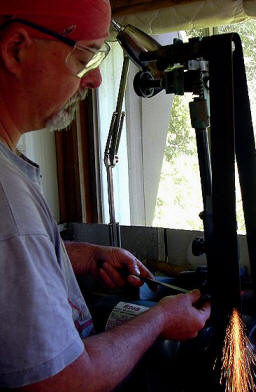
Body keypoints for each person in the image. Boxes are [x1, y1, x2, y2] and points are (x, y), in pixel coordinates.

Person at [0, 1, 211, 391]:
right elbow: (65, 383)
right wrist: (161, 320)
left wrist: (81, 256)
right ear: (16, 49)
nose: (95, 79)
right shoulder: (8, 201)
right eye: (84, 57)